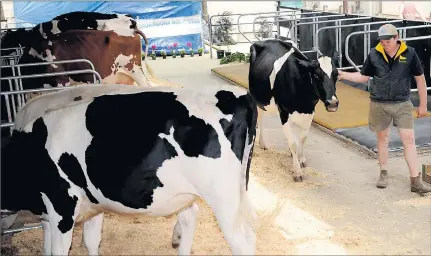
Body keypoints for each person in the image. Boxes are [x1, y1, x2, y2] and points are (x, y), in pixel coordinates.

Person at [338, 24, 430, 194]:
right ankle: (383, 173)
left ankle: (415, 180)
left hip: (402, 103)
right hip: (379, 103)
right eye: (382, 40)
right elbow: (364, 76)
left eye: (388, 40)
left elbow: (420, 79)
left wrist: (423, 104)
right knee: (383, 138)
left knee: (408, 139)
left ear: (396, 38)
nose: (384, 44)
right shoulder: (374, 53)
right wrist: (344, 75)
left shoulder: (409, 53)